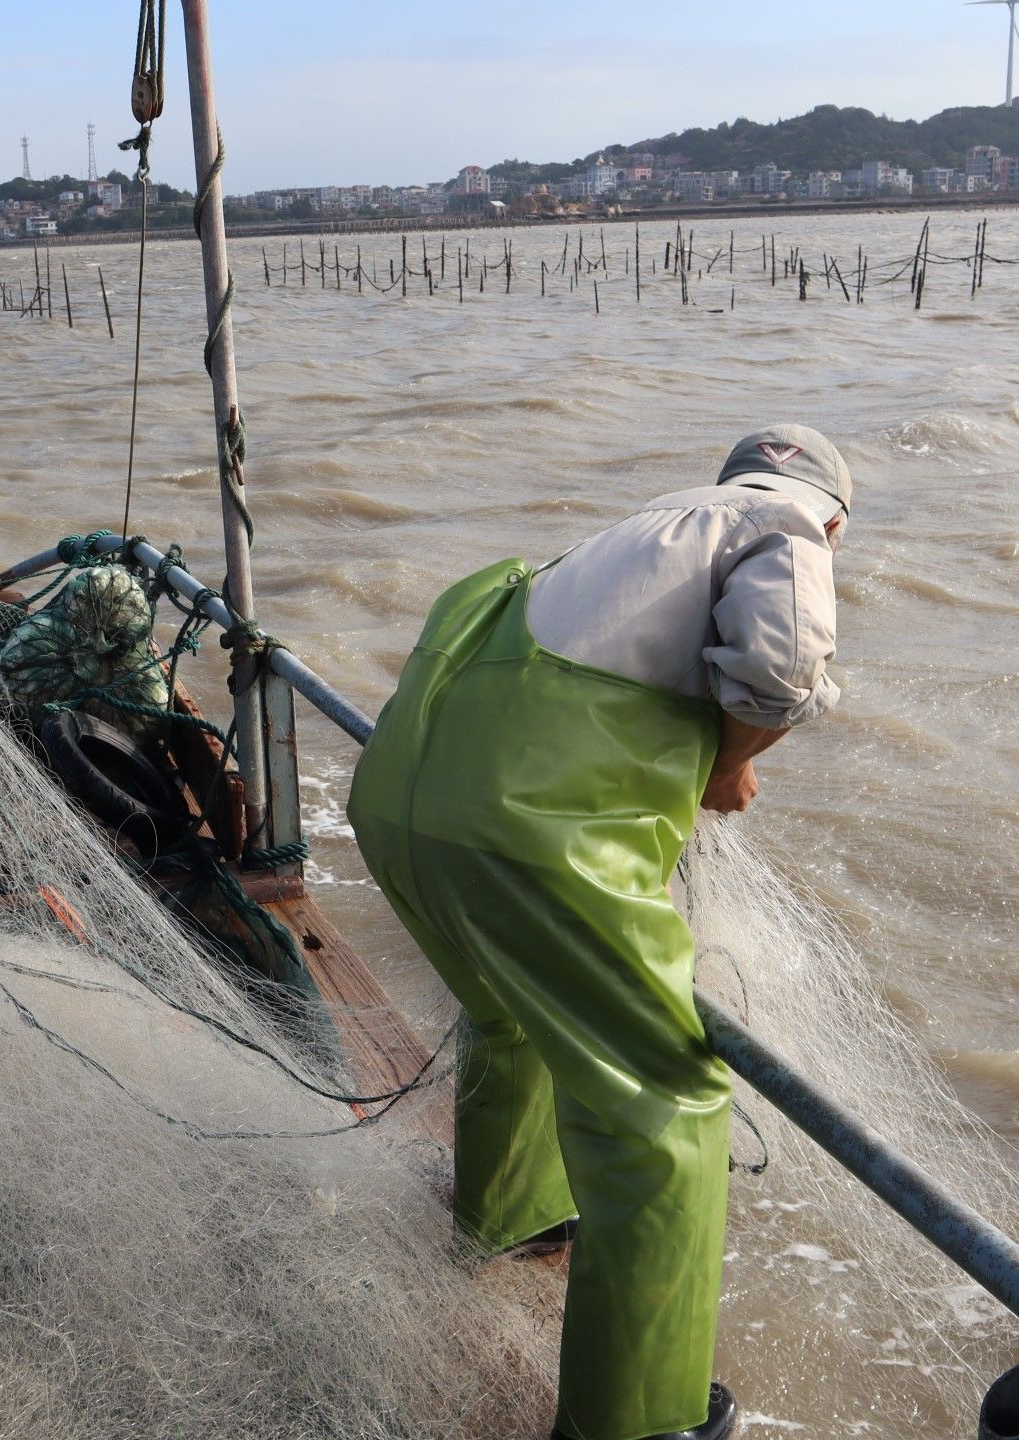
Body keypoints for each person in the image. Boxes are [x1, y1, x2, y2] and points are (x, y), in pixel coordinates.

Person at [347, 425, 852, 1440]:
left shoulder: (624, 539)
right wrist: (729, 762)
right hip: (528, 829)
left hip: (402, 805)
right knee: (665, 1101)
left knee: (510, 1014)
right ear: (838, 518)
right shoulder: (789, 521)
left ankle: (505, 1219)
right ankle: (639, 1415)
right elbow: (783, 669)